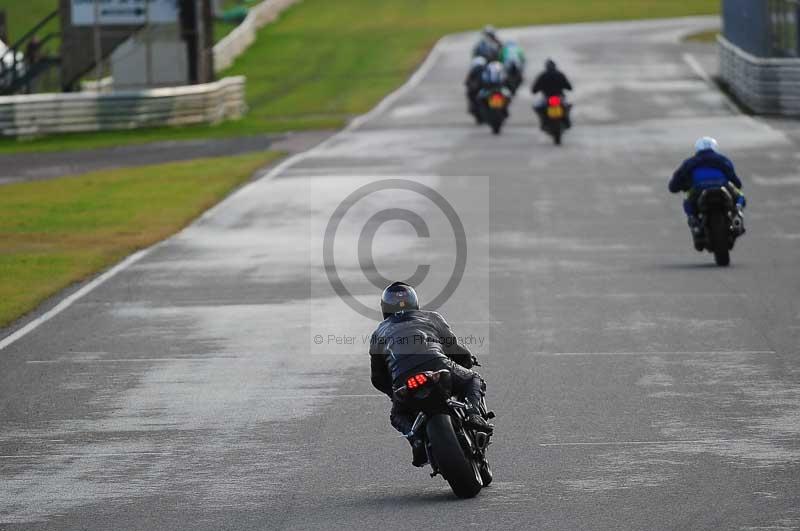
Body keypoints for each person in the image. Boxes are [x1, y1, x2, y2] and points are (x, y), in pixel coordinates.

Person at [369, 282, 493, 467]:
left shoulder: (378, 333)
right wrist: (467, 360)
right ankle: (474, 414)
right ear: (414, 302)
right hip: (437, 366)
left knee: (398, 414)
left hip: (403, 378)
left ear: (385, 308)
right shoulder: (432, 317)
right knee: (473, 379)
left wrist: (395, 393)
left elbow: (377, 378)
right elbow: (455, 348)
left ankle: (416, 440)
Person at [669, 137, 746, 249]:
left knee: (687, 202)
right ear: (714, 147)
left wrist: (678, 187)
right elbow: (735, 180)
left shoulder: (690, 162)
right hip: (722, 185)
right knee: (740, 196)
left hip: (698, 188)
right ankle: (737, 216)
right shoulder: (723, 160)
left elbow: (674, 184)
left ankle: (694, 222)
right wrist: (736, 185)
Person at [531, 58, 573, 128]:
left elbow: (534, 89)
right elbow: (569, 87)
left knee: (537, 107)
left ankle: (544, 122)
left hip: (547, 97)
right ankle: (566, 121)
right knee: (567, 106)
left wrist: (536, 90)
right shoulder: (560, 74)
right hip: (559, 97)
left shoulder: (543, 75)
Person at [465, 55, 487, 121]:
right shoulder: (484, 70)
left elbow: (467, 82)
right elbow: (467, 82)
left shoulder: (486, 71)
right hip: (477, 91)